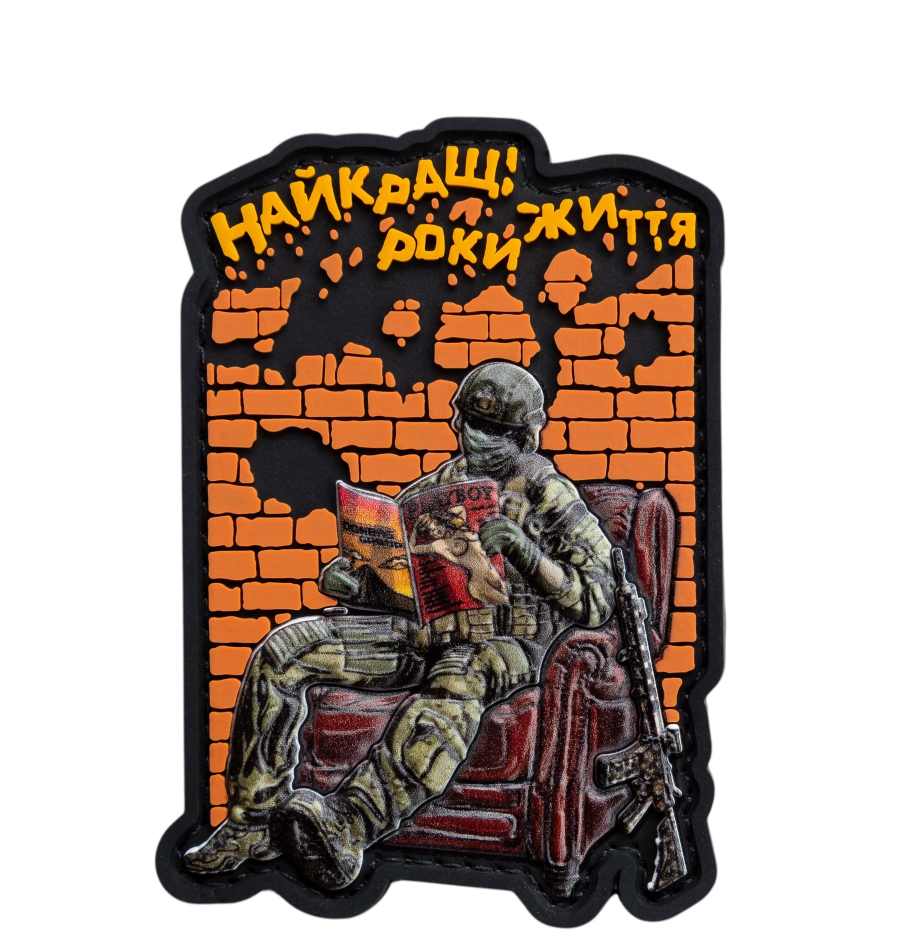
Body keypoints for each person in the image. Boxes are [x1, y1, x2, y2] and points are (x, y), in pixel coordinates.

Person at [184, 361, 615, 890]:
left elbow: (599, 601)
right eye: (473, 424)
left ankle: (348, 825)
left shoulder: (552, 495)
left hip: (506, 644)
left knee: (456, 685)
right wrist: (356, 585)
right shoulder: (439, 488)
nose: (480, 439)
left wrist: (526, 552)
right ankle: (253, 821)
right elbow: (399, 581)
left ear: (524, 434)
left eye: (496, 430)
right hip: (424, 633)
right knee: (284, 650)